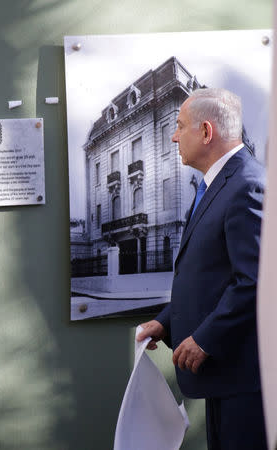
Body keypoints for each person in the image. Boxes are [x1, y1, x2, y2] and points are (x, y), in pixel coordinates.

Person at [137, 88, 267, 449]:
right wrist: (166, 321)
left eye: (180, 126)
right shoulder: (217, 184)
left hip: (246, 381)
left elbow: (255, 282)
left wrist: (206, 338)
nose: (175, 135)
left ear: (206, 132)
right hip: (226, 377)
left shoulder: (248, 186)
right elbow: (212, 274)